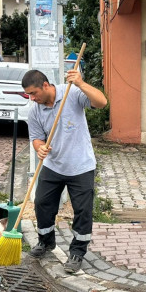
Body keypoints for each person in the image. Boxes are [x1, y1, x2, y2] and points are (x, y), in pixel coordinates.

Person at [22, 69, 107, 273]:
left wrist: (81, 83)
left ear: (45, 85)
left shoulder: (72, 93)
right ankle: (46, 241)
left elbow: (102, 102)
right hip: (53, 166)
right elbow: (36, 137)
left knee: (82, 211)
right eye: (29, 95)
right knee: (42, 203)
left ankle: (77, 251)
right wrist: (39, 147)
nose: (32, 98)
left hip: (81, 166)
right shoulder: (35, 110)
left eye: (34, 93)